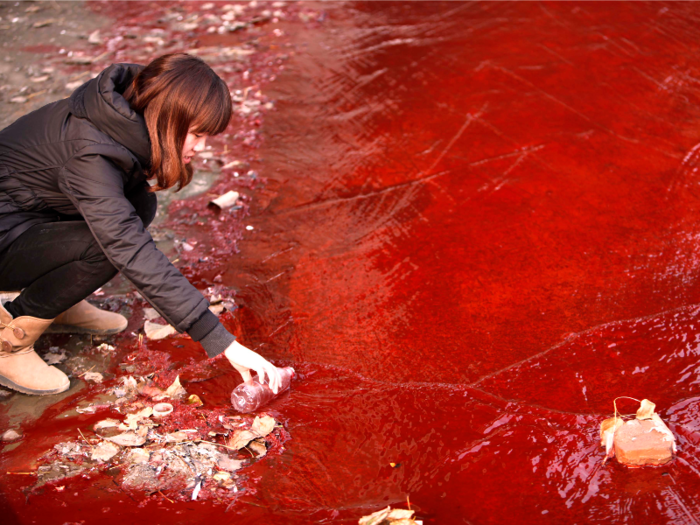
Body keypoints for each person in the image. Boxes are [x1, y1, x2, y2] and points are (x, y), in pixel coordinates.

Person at [0, 53, 281, 395]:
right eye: (196, 134)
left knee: (138, 203)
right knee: (109, 245)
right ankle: (11, 338)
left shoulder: (125, 111)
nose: (202, 147)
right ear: (167, 118)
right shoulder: (90, 152)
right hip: (6, 232)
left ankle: (55, 302)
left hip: (26, 216)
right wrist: (218, 337)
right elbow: (125, 245)